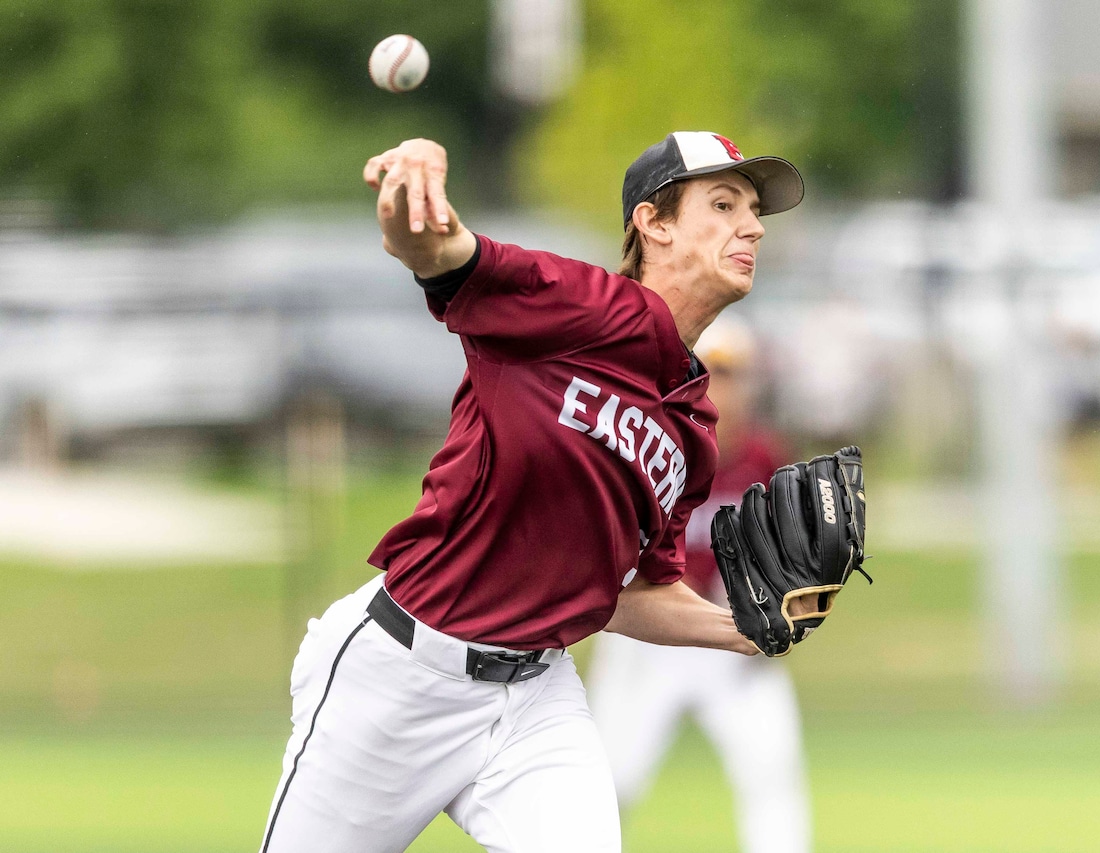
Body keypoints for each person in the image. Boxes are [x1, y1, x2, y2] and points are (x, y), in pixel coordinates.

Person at [256, 131, 806, 853]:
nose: (753, 225)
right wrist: (409, 191)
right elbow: (436, 253)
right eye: (726, 203)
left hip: (534, 697)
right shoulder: (580, 307)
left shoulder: (695, 422)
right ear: (654, 222)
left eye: (756, 210)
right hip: (402, 674)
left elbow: (624, 591)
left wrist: (745, 625)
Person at [588, 317, 811, 853]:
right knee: (607, 784)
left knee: (772, 775)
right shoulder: (653, 447)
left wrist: (785, 599)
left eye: (734, 374)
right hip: (650, 635)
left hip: (730, 639)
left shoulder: (764, 458)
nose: (724, 388)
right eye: (712, 372)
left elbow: (782, 552)